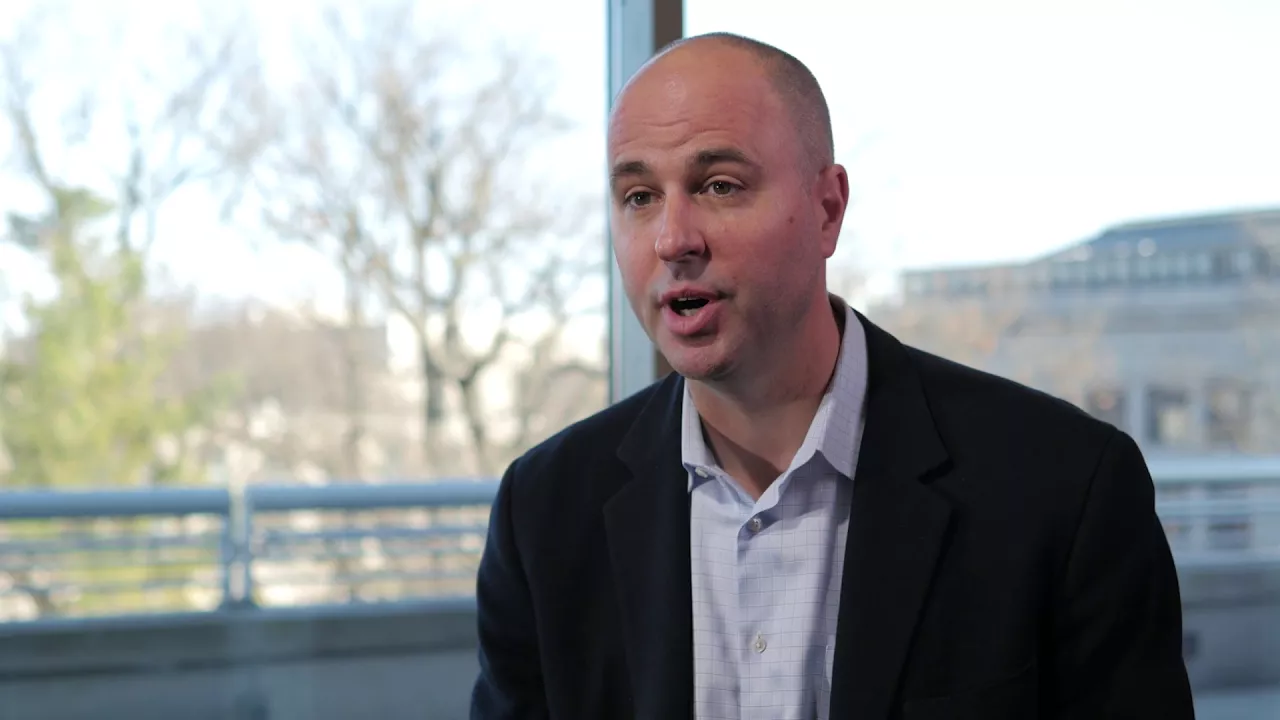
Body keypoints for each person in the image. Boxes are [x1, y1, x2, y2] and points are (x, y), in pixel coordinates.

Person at [470, 31, 1194, 720]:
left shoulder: (1064, 490)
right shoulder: (544, 514)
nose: (672, 239)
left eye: (719, 186)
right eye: (639, 197)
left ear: (827, 209)